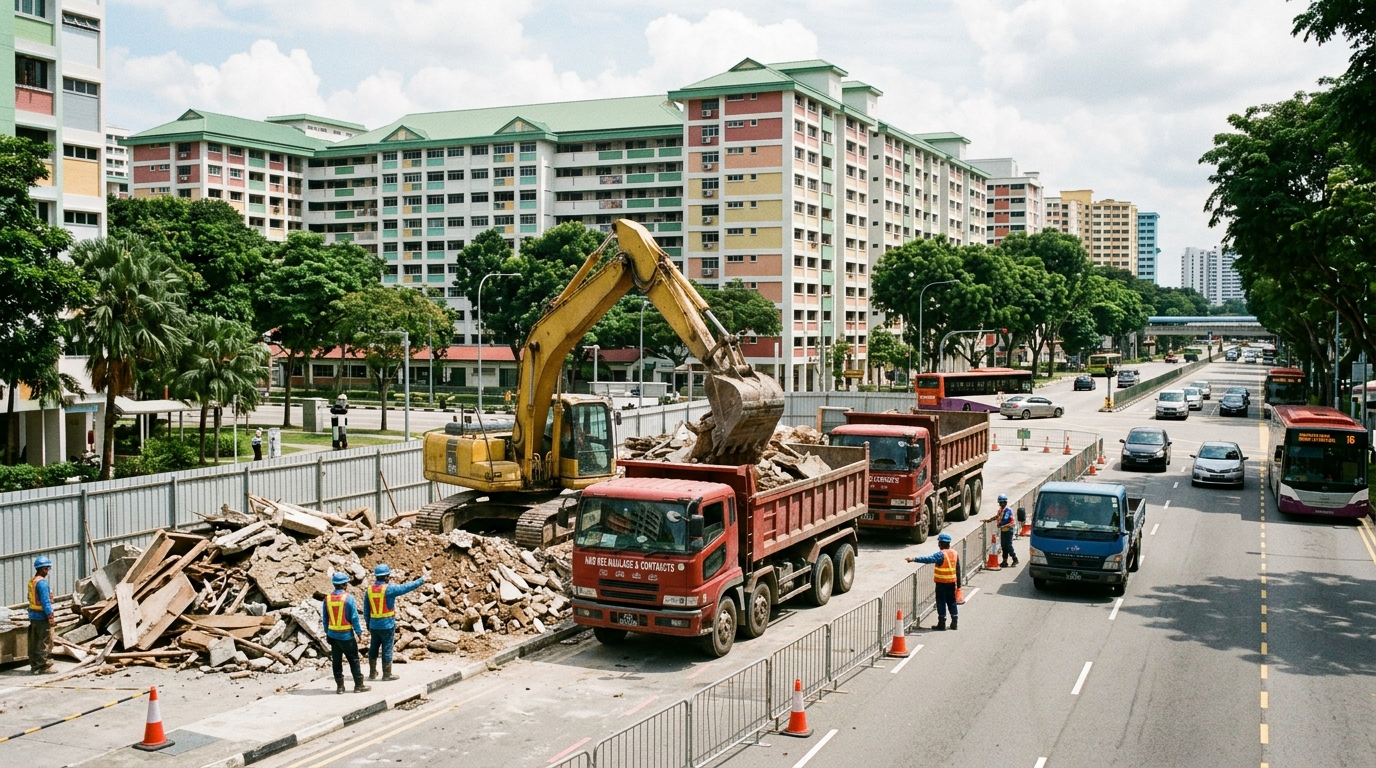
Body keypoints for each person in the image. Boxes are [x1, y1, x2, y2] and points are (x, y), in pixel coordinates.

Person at [364, 564, 425, 681]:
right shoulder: (389, 589)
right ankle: (387, 674)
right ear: (386, 576)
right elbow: (406, 587)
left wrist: (368, 623)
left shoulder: (369, 590)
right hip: (387, 625)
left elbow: (366, 610)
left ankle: (372, 673)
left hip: (374, 625)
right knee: (387, 648)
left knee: (373, 648)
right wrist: (421, 580)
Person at [322, 572, 370, 694]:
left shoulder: (327, 599)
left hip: (333, 636)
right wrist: (359, 633)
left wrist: (327, 632)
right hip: (346, 637)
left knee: (336, 661)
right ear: (344, 585)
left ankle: (340, 687)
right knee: (353, 660)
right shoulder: (349, 598)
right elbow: (354, 618)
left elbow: (325, 619)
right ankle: (359, 685)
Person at [907, 532, 959, 631]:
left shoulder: (940, 555)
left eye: (939, 542)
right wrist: (959, 585)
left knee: (941, 602)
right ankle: (954, 622)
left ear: (941, 543)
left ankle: (942, 623)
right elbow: (958, 569)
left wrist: (914, 559)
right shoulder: (955, 553)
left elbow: (928, 559)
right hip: (952, 583)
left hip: (941, 584)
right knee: (952, 602)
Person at [28, 556, 55, 674]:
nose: (47, 571)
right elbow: (45, 602)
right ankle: (43, 666)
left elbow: (30, 598)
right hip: (41, 616)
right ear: (42, 569)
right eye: (46, 569)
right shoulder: (42, 584)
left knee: (34, 642)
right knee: (44, 642)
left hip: (33, 615)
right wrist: (50, 616)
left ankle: (34, 665)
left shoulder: (32, 581)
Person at [982, 494, 1019, 568]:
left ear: (1005, 502)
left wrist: (1003, 526)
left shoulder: (1008, 511)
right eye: (1000, 503)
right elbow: (997, 517)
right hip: (1003, 531)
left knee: (1008, 546)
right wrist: (988, 520)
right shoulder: (1000, 510)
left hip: (1008, 530)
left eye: (1002, 503)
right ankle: (1004, 561)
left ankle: (1015, 559)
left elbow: (1012, 523)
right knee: (1003, 546)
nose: (1000, 504)